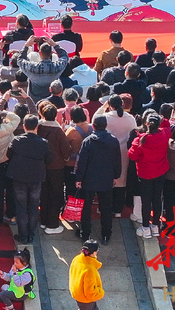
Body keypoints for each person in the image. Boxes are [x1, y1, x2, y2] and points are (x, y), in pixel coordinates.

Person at [75, 115, 121, 244]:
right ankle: (106, 234)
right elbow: (117, 161)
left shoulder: (88, 141)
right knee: (106, 208)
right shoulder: (113, 141)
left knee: (86, 208)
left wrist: (79, 178)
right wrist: (116, 176)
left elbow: (82, 162)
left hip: (89, 179)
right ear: (106, 125)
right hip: (106, 178)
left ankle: (85, 233)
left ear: (93, 126)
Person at [7, 115, 52, 244]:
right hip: (36, 177)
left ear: (24, 126)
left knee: (21, 207)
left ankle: (23, 235)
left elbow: (9, 154)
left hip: (19, 177)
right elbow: (49, 159)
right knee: (34, 206)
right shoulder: (43, 142)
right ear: (37, 127)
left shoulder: (17, 140)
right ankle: (31, 234)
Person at [70, 240, 105, 310]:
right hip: (85, 299)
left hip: (77, 293)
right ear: (94, 252)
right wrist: (100, 293)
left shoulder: (77, 259)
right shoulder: (89, 270)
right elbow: (90, 293)